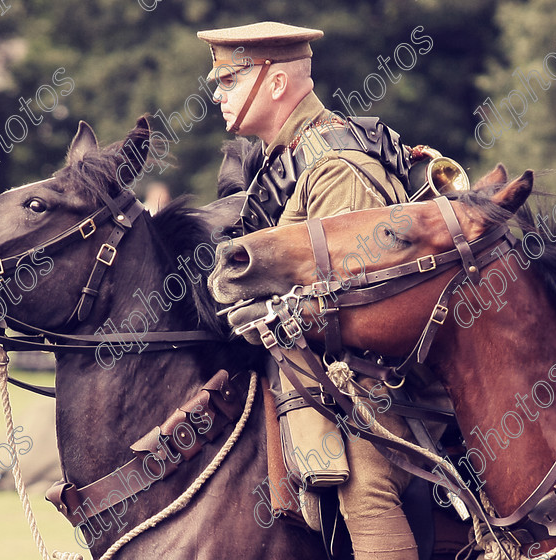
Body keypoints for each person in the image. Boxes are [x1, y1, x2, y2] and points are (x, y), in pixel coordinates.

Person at [198, 21, 419, 560]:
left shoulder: (334, 166)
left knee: (363, 485)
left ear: (274, 84)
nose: (218, 95)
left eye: (229, 81)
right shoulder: (283, 158)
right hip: (309, 365)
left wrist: (272, 312)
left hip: (371, 377)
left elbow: (364, 296)